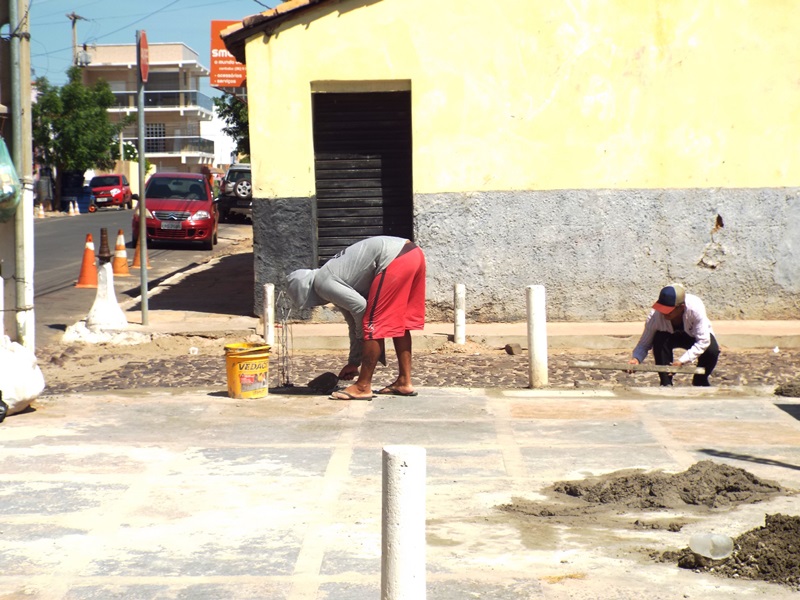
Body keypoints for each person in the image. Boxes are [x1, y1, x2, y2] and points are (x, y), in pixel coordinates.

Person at [286, 236, 426, 400]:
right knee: (399, 322)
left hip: (394, 258)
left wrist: (364, 337)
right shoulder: (331, 274)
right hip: (413, 254)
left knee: (372, 323)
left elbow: (361, 309)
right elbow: (352, 322)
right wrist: (354, 362)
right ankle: (404, 381)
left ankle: (362, 386)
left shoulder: (322, 283)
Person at [628, 283, 720, 387]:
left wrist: (682, 360)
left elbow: (703, 341)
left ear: (681, 307)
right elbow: (644, 343)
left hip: (692, 336)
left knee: (712, 350)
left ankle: (700, 380)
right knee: (658, 338)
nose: (663, 313)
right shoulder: (655, 316)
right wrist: (636, 359)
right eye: (662, 309)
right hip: (669, 337)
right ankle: (666, 382)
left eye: (668, 311)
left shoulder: (695, 308)